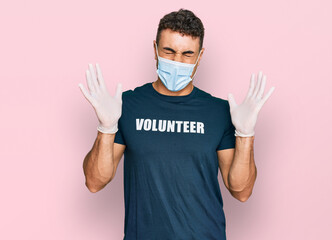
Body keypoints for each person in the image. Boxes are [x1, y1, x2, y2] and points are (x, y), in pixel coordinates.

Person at [78, 8, 275, 240]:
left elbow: (241, 191)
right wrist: (106, 128)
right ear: (155, 50)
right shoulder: (127, 106)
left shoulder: (219, 112)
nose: (177, 61)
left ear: (200, 56)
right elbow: (94, 181)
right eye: (169, 51)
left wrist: (245, 134)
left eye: (187, 54)